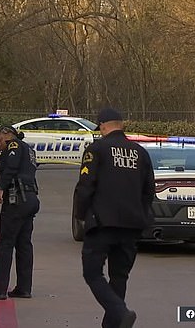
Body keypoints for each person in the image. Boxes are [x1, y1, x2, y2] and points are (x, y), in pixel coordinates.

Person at [74, 107, 155, 328]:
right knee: (119, 277)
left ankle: (120, 312)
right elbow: (150, 191)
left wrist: (81, 216)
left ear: (103, 126)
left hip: (103, 223)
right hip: (131, 225)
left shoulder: (97, 149)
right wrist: (140, 215)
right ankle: (115, 323)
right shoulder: (141, 152)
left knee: (92, 273)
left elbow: (85, 186)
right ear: (121, 124)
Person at [0, 125, 40, 300]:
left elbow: (11, 167)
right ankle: (24, 287)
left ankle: (0, 289)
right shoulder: (29, 149)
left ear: (7, 135)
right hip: (30, 198)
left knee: (5, 244)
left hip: (16, 199)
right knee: (24, 244)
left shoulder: (14, 145)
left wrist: (0, 188)